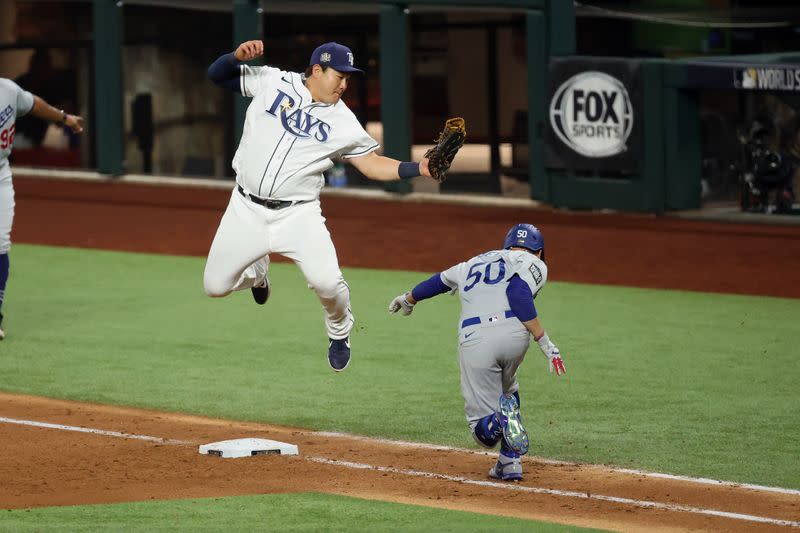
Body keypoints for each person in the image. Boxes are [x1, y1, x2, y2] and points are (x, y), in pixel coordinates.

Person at [203, 40, 436, 371]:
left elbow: (371, 164)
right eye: (339, 76)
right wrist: (234, 58)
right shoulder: (273, 81)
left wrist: (418, 169)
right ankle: (258, 274)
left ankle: (339, 330)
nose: (344, 85)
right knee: (214, 287)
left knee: (327, 283)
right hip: (245, 208)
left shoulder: (343, 121)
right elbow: (217, 75)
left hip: (298, 215)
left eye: (347, 79)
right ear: (316, 70)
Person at [388, 223, 566, 481]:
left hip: (477, 338)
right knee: (508, 392)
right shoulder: (534, 262)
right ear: (538, 251)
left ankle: (497, 420)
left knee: (482, 433)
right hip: (515, 336)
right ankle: (509, 462)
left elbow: (438, 282)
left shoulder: (471, 263)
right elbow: (519, 293)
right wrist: (542, 341)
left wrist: (409, 298)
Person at [0, 77, 84, 340]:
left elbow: (33, 104)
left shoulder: (8, 90)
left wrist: (63, 117)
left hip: (0, 175)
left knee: (1, 245)